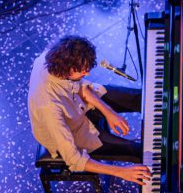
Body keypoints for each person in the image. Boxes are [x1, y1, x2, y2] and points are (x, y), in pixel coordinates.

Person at [27, 35, 150, 185]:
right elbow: (74, 159)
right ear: (69, 70)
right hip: (73, 133)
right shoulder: (49, 109)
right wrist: (121, 172)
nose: (88, 74)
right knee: (138, 150)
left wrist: (109, 112)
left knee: (137, 98)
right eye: (83, 71)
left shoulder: (52, 59)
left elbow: (80, 86)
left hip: (78, 106)